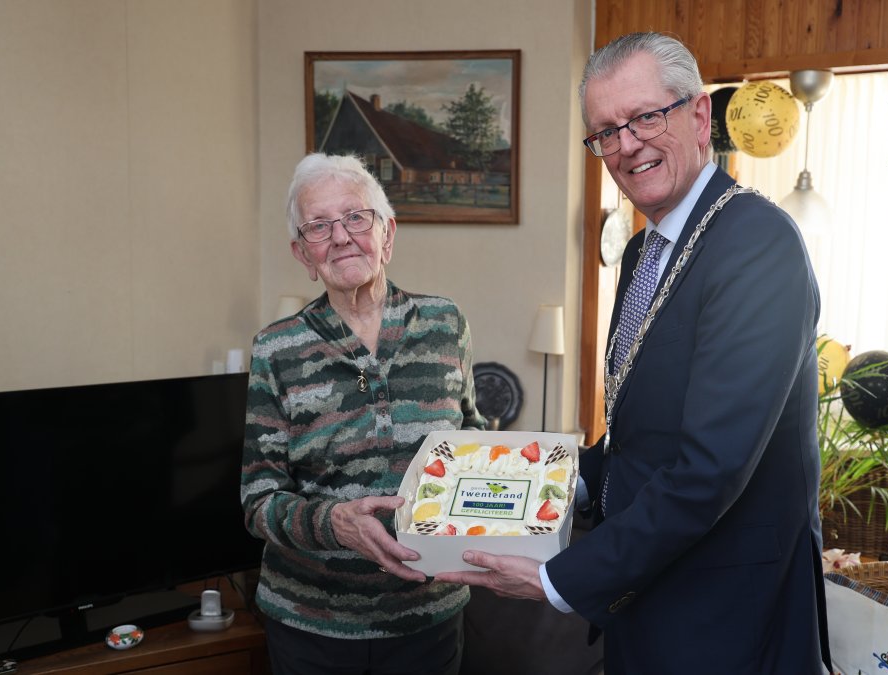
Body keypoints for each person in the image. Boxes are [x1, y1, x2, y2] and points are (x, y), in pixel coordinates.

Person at [437, 33, 830, 673]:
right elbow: (640, 437)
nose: (626, 145)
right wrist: (540, 481)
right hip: (648, 604)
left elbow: (709, 468)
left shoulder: (757, 245)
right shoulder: (641, 254)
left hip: (727, 616)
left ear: (699, 115)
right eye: (605, 132)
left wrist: (555, 580)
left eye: (647, 117)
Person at [241, 153, 485, 675]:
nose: (341, 236)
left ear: (387, 233)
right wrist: (334, 525)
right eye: (319, 226)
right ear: (304, 254)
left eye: (356, 217)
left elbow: (473, 444)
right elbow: (257, 501)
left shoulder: (445, 323)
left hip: (429, 615)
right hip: (311, 625)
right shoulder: (276, 349)